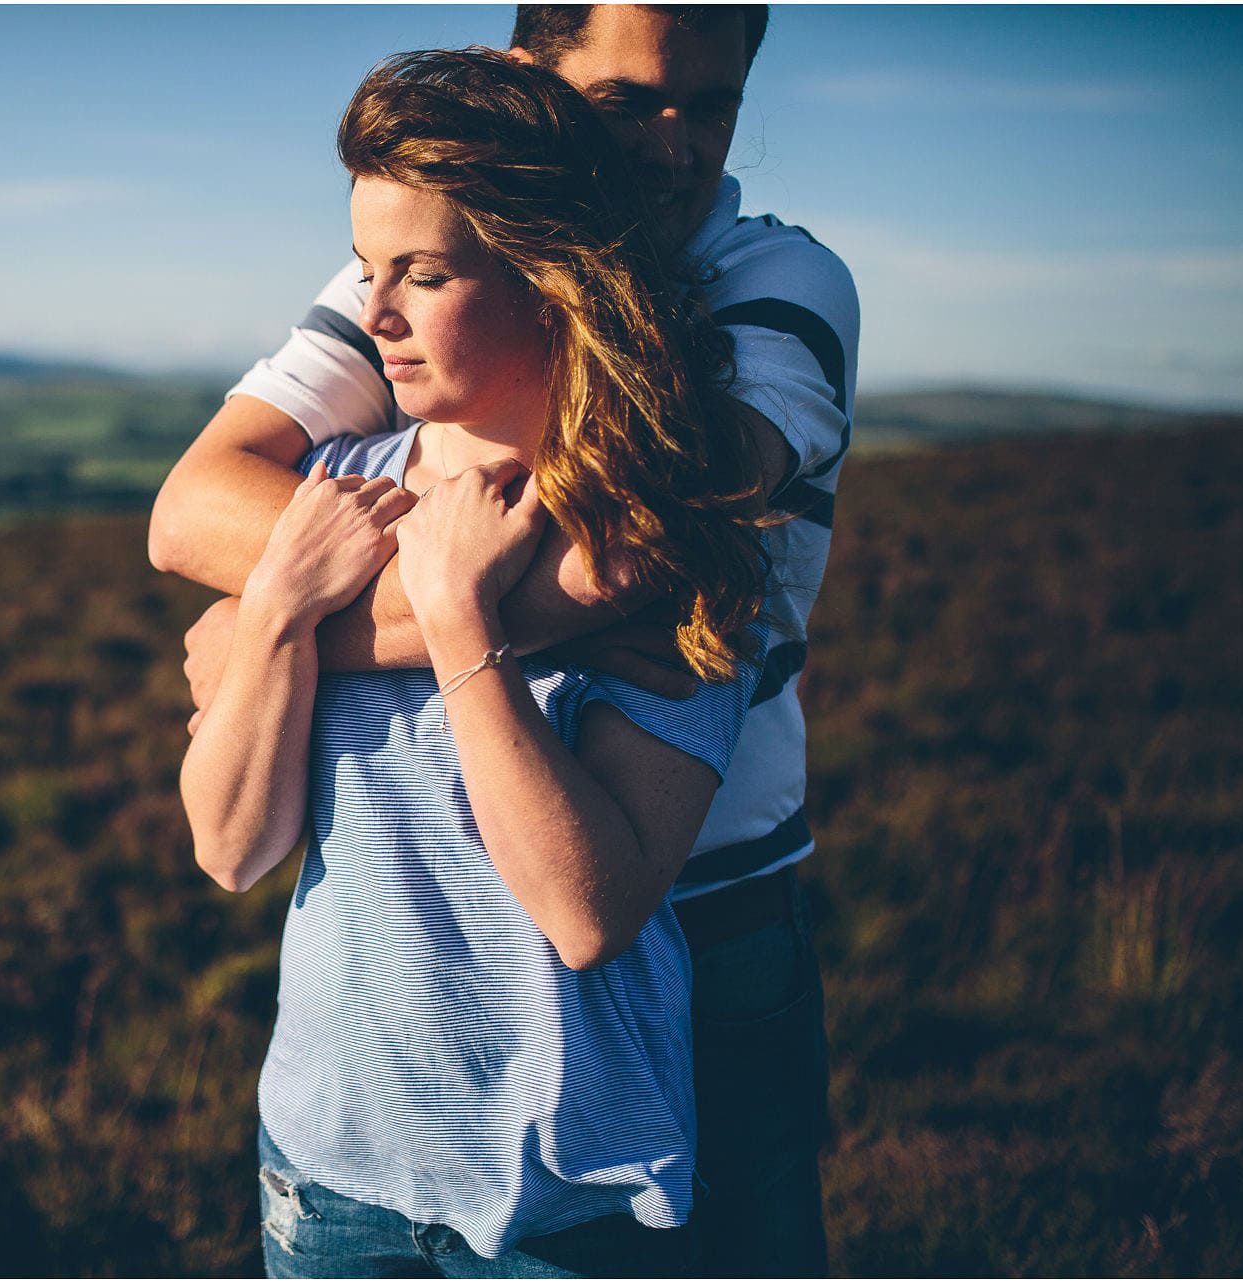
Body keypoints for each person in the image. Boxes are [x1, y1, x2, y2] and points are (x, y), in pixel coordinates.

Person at [150, 7, 856, 1274]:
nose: (675, 143)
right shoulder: (427, 243)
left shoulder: (777, 282)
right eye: (629, 100)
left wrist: (308, 628)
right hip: (365, 1094)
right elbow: (195, 506)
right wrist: (282, 614)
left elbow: (650, 537)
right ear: (530, 82)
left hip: (710, 898)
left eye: (714, 102)